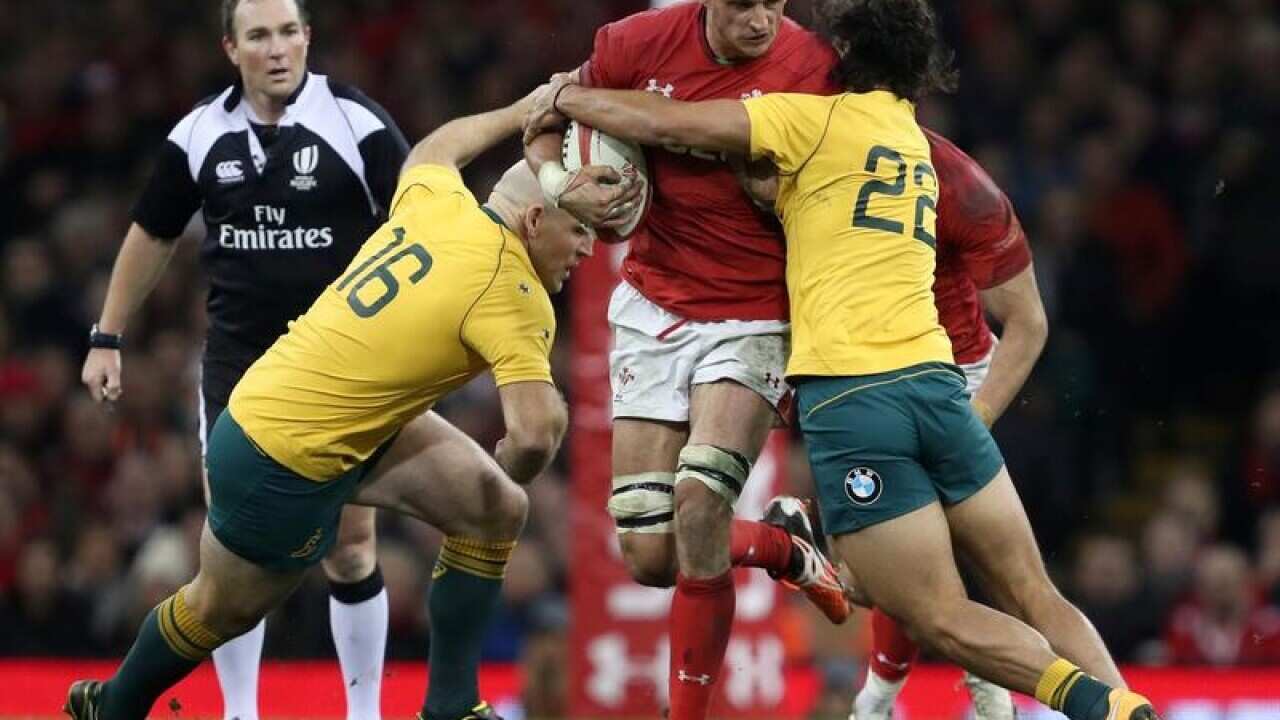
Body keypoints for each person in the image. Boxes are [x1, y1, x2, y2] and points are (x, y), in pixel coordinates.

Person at [521, 1, 1162, 719]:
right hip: (941, 389)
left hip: (854, 402)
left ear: (842, 56)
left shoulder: (807, 121)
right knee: (1032, 591)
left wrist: (564, 95)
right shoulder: (929, 154)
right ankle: (1123, 705)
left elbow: (673, 124)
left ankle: (1089, 705)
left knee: (937, 613)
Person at [65, 83, 632, 720]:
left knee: (495, 508)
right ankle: (114, 706)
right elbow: (531, 436)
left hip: (293, 410)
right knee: (223, 606)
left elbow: (433, 149)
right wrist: (529, 446)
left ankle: (449, 706)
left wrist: (519, 112)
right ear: (533, 220)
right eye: (579, 229)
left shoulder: (442, 204)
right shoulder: (515, 294)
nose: (589, 248)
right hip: (280, 460)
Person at [523, 4, 854, 718]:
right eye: (743, 4)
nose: (762, 18)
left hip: (757, 311)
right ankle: (782, 546)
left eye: (776, 1)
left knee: (700, 498)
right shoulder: (632, 45)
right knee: (648, 556)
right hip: (654, 308)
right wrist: (558, 185)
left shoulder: (813, 68)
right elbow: (543, 122)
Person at [79, 1, 406, 718]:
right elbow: (152, 233)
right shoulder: (199, 134)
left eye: (289, 32)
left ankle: (366, 711)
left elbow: (422, 228)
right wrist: (107, 336)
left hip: (343, 372)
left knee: (351, 545)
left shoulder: (360, 125)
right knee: (234, 555)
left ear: (309, 38)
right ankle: (239, 711)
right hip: (241, 372)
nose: (278, 48)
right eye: (259, 35)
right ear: (232, 48)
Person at [740, 129, 1051, 719]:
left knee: (935, 565)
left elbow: (1027, 317)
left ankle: (899, 685)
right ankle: (891, 683)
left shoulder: (932, 168)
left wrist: (972, 423)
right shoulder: (808, 164)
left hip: (947, 370)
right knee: (893, 568)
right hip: (865, 374)